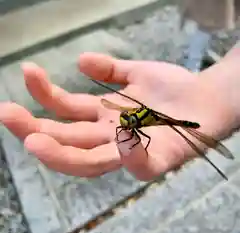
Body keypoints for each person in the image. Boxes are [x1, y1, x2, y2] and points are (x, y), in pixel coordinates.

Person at [0, 43, 239, 181]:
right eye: (128, 119)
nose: (125, 121)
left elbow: (139, 134)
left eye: (129, 119)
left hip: (180, 120)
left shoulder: (144, 121)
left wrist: (215, 97)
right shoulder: (131, 115)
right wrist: (218, 87)